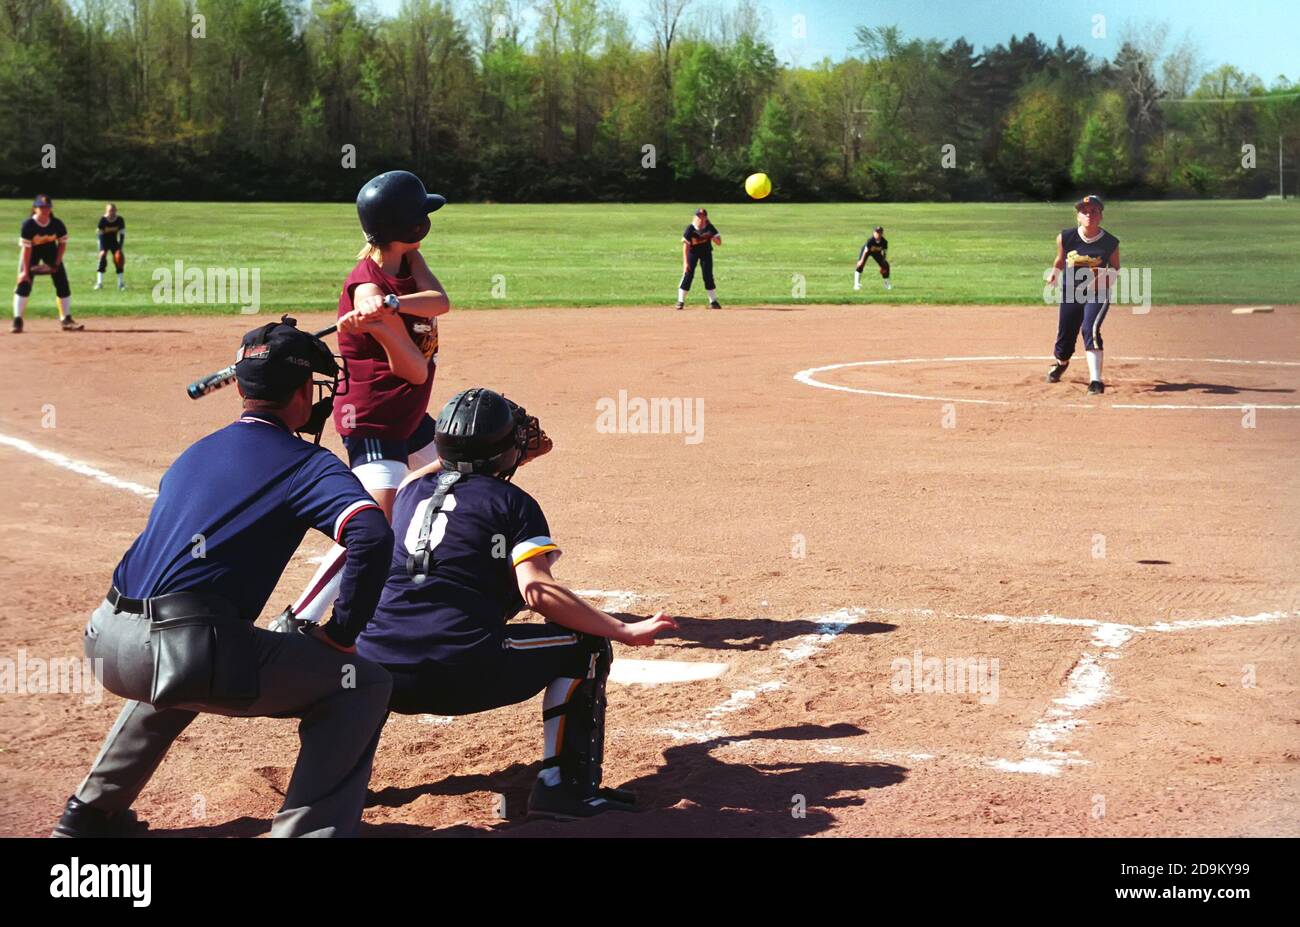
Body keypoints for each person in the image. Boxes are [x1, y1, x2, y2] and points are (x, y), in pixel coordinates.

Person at [52, 318, 395, 838]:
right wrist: (341, 635)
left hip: (106, 639)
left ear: (239, 385)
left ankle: (89, 816)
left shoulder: (197, 452)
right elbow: (371, 536)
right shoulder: (307, 463)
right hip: (181, 653)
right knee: (364, 682)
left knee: (187, 657)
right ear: (304, 393)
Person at [351, 388, 677, 819]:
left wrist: (492, 453)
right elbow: (537, 592)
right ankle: (564, 787)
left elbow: (447, 470)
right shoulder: (514, 504)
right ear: (504, 452)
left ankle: (342, 782)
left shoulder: (408, 492)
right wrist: (622, 628)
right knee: (587, 644)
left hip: (378, 675)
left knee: (375, 644)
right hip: (462, 670)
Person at [276, 171, 451, 629]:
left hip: (408, 413)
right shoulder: (366, 288)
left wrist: (392, 306)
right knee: (372, 526)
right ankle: (300, 617)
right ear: (409, 228)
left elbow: (440, 302)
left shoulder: (407, 262)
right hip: (374, 419)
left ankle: (429, 584)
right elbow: (413, 367)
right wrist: (376, 320)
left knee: (457, 478)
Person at [1046, 195, 1120, 395]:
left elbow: (1115, 268)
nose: (1089, 215)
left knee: (1090, 328)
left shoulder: (1110, 242)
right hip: (1071, 293)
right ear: (1078, 216)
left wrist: (1104, 280)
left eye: (1094, 211)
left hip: (1098, 294)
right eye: (1084, 212)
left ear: (1101, 216)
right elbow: (1060, 260)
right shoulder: (1066, 237)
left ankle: (1095, 381)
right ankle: (1061, 363)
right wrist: (1055, 272)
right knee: (1065, 338)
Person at [13, 194, 81, 333]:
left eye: (47, 207)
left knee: (62, 282)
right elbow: (26, 249)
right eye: (41, 207)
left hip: (51, 250)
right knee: (24, 283)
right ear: (35, 208)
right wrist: (25, 272)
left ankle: (66, 319)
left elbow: (62, 244)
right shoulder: (28, 225)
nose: (45, 209)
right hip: (32, 252)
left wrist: (56, 263)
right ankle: (17, 321)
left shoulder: (57, 224)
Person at [675, 208, 722, 310]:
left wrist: (713, 238)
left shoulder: (709, 227)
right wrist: (685, 263)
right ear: (695, 217)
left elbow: (719, 242)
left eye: (702, 216)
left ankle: (713, 301)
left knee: (708, 275)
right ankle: (680, 301)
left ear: (706, 217)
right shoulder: (690, 229)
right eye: (698, 216)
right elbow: (685, 246)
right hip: (693, 253)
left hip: (706, 253)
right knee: (688, 274)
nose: (700, 218)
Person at [95, 203, 127, 290]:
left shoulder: (119, 220)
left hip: (113, 242)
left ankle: (120, 284)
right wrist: (101, 249)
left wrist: (120, 248)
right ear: (106, 211)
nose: (112, 212)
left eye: (113, 210)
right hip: (104, 241)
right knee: (102, 257)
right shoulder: (103, 220)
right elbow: (99, 235)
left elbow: (122, 235)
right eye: (110, 211)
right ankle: (99, 283)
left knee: (119, 258)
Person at [854, 226, 891, 291]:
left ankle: (887, 284)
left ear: (882, 233)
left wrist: (883, 262)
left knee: (886, 266)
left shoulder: (884, 242)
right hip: (867, 252)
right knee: (860, 265)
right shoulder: (871, 241)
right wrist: (861, 261)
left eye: (880, 232)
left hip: (876, 253)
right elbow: (865, 251)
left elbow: (884, 252)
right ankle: (856, 284)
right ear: (873, 233)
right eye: (876, 232)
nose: (878, 234)